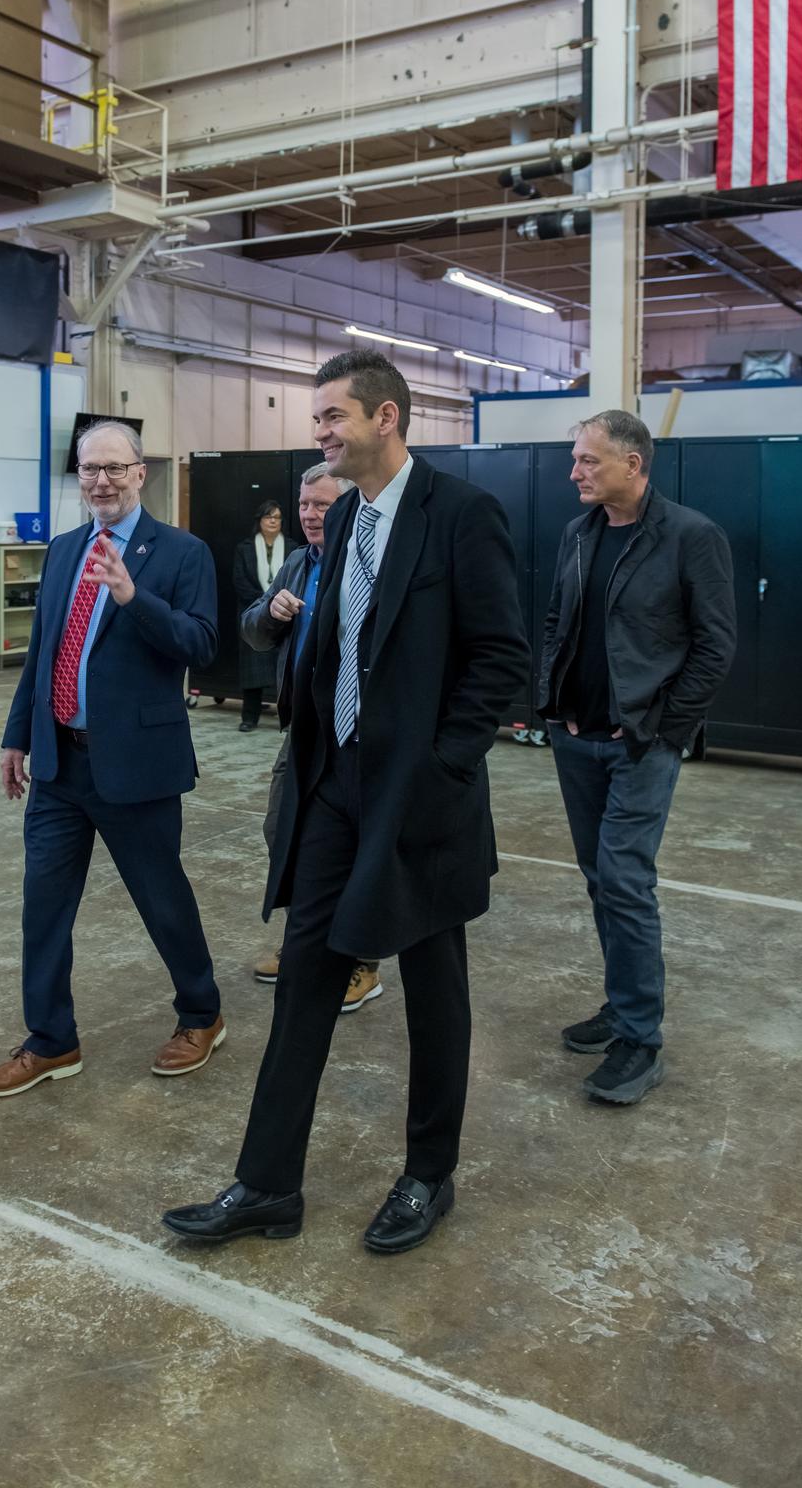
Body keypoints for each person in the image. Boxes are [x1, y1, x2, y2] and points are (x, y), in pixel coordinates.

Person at [163, 349, 529, 1255]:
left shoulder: (460, 514)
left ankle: (428, 1174)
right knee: (306, 982)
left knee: (436, 992)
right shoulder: (350, 521)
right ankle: (267, 1184)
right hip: (334, 786)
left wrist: (444, 766)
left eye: (332, 417)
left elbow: (502, 659)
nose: (318, 433)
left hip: (423, 794)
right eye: (318, 418)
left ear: (386, 418)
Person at [0, 422, 226, 1099]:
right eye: (90, 470)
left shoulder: (181, 552)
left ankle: (202, 1013)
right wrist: (16, 736)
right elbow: (44, 653)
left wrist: (131, 598)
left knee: (160, 899)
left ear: (141, 473)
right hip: (60, 765)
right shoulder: (61, 551)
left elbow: (201, 645)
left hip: (136, 767)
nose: (102, 481)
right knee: (43, 907)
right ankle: (51, 1040)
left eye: (115, 468)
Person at [537, 409, 736, 1106]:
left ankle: (641, 1041)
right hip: (575, 735)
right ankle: (622, 1008)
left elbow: (715, 645)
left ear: (634, 464)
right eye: (576, 459)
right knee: (601, 880)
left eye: (589, 460)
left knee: (624, 879)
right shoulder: (578, 534)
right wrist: (549, 700)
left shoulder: (690, 536)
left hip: (639, 744)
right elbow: (559, 621)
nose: (575, 472)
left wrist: (663, 730)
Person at [241, 463, 383, 1014]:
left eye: (321, 505)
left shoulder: (368, 564)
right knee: (285, 830)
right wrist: (271, 614)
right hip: (304, 729)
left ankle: (361, 963)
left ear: (350, 507)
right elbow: (253, 632)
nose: (308, 515)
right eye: (304, 505)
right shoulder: (300, 563)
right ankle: (306, 943)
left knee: (359, 849)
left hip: (354, 733)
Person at [232, 499, 296, 731]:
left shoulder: (292, 547)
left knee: (286, 671)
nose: (272, 521)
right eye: (268, 517)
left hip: (285, 616)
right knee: (252, 673)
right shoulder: (245, 548)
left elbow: (295, 580)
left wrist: (278, 605)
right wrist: (264, 604)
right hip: (255, 615)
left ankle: (288, 720)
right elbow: (240, 581)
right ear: (259, 521)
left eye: (277, 517)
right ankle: (249, 718)